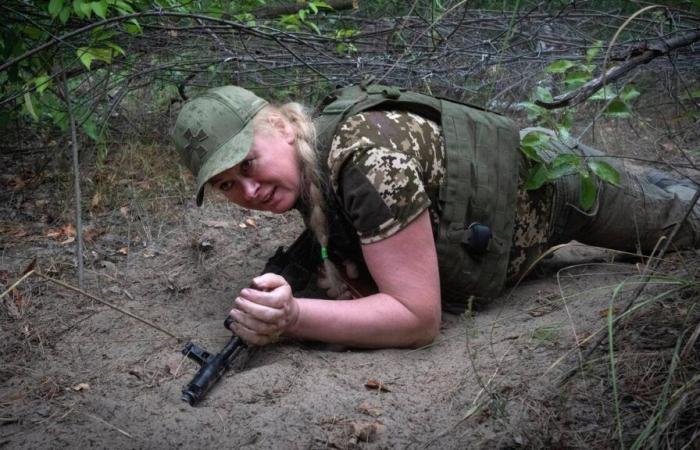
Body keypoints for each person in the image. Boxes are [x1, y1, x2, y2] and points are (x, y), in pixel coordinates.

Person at [172, 84, 700, 349]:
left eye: (248, 162)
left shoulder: (364, 161)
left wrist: (293, 318)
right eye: (226, 185)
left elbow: (418, 318)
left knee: (684, 218)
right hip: (526, 173)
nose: (248, 189)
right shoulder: (312, 160)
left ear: (282, 126)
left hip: (562, 188)